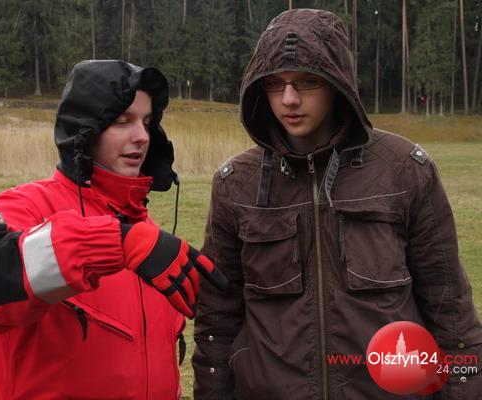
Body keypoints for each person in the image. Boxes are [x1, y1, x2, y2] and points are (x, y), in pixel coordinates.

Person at [193, 8, 482, 399]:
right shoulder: (235, 185)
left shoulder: (405, 171)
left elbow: (451, 312)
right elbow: (216, 321)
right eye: (275, 84)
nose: (289, 99)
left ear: (338, 82)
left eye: (307, 81)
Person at [0, 60, 226, 400]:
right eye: (123, 121)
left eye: (147, 122)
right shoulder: (30, 206)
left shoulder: (148, 234)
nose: (141, 136)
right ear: (85, 130)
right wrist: (111, 243)